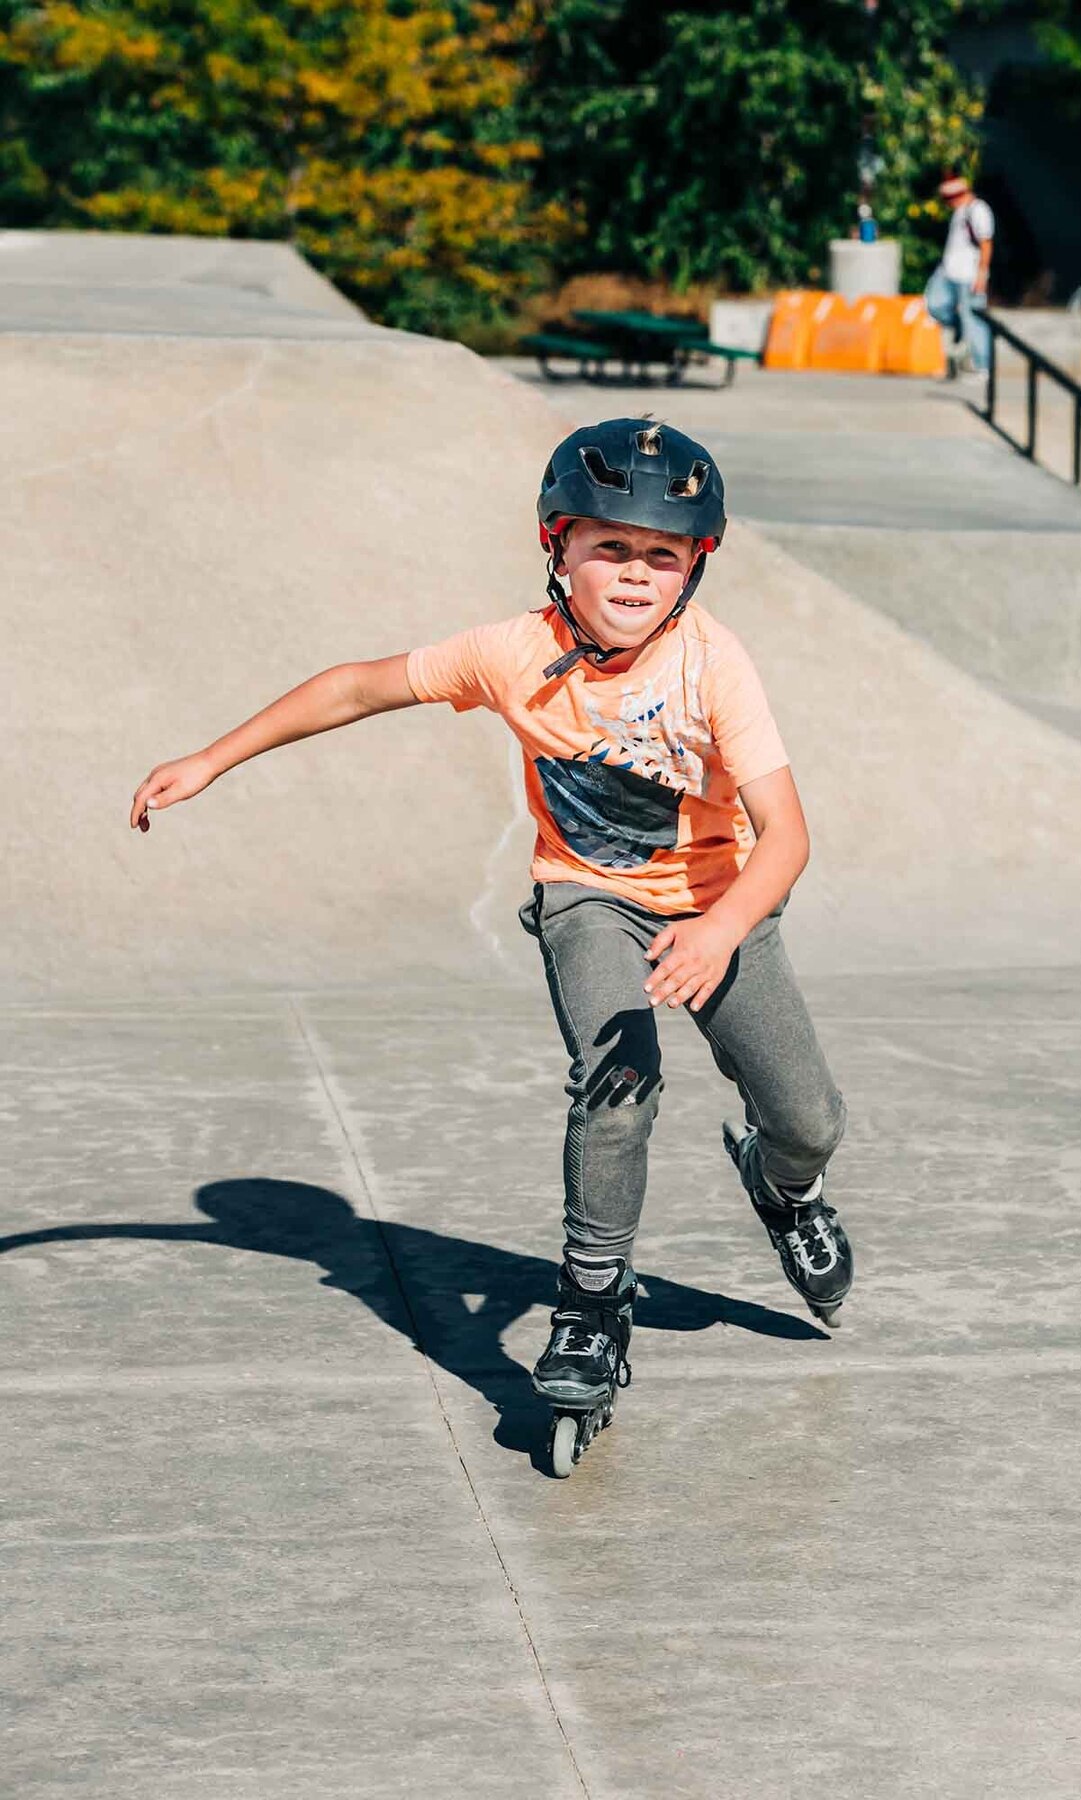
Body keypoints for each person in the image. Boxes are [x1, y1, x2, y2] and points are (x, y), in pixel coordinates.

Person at [128, 419, 852, 1430]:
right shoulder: (510, 654)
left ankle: (786, 1191)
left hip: (722, 901)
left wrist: (723, 927)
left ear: (694, 567)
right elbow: (354, 686)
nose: (635, 575)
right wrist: (212, 757)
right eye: (610, 548)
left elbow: (787, 836)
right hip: (588, 899)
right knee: (618, 1083)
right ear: (557, 548)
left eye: (661, 555)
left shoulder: (713, 664)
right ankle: (593, 1308)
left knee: (809, 1118)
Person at [924, 172, 994, 375]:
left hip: (969, 274)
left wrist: (981, 274)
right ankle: (961, 327)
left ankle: (983, 366)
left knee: (974, 317)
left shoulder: (978, 209)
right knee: (934, 305)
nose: (947, 203)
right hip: (948, 273)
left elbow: (986, 244)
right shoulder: (959, 213)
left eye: (949, 199)